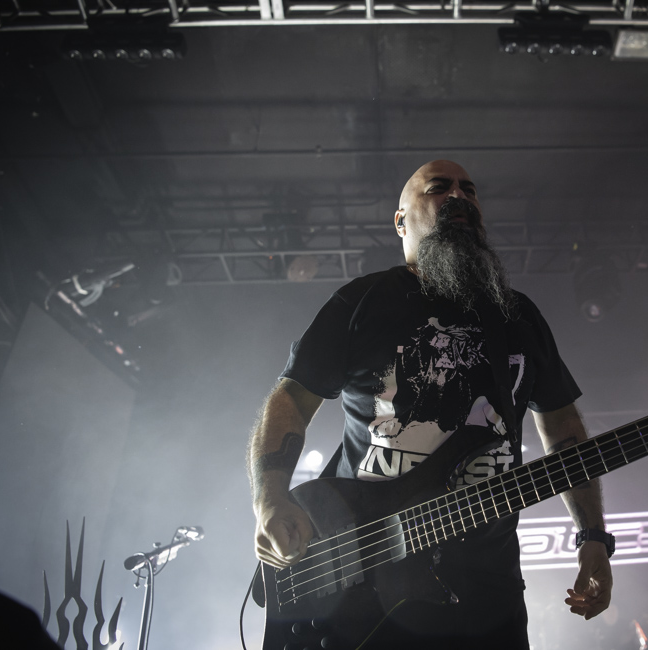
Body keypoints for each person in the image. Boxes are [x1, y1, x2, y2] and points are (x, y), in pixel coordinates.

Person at [248, 160, 614, 649]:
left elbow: (563, 428)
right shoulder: (362, 302)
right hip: (365, 580)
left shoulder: (518, 315)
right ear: (401, 220)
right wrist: (270, 497)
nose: (460, 197)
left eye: (470, 190)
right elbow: (291, 399)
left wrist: (593, 535)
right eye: (439, 188)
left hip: (489, 588)